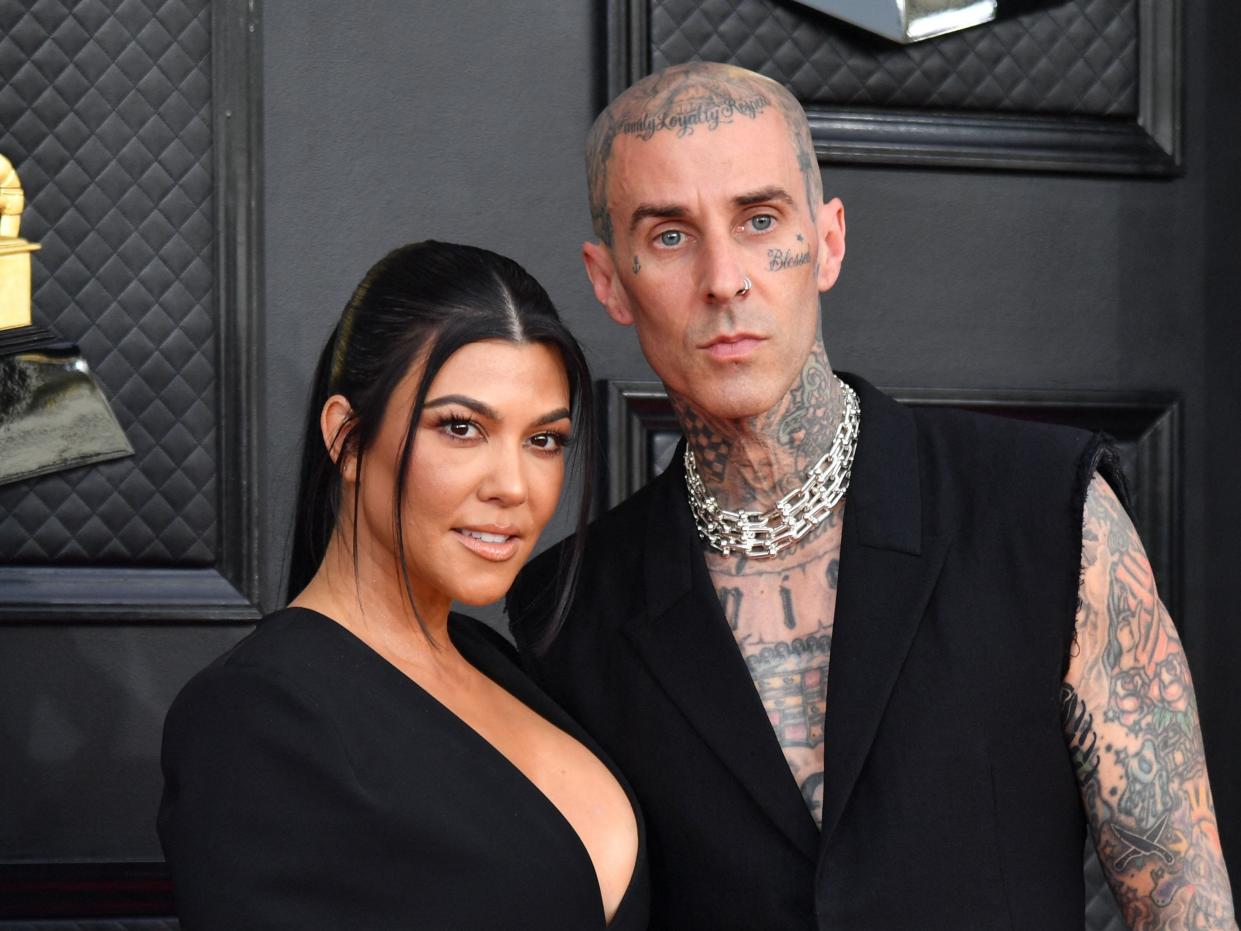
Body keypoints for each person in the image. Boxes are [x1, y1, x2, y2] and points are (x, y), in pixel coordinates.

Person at [507, 63, 1236, 929]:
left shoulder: (1046, 510)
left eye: (760, 219)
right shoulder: (567, 614)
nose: (723, 278)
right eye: (669, 236)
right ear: (607, 279)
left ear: (828, 240)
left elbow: (1185, 909)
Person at [158, 241, 648, 930]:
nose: (512, 486)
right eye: (460, 427)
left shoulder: (498, 663)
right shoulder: (253, 715)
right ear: (349, 439)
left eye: (543, 440)